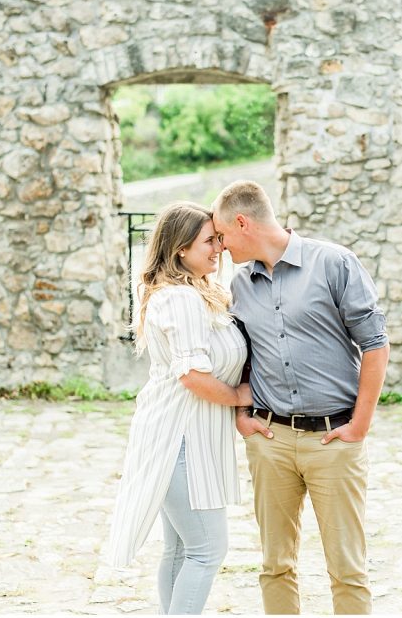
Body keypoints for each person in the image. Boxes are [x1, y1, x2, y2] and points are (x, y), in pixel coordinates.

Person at [212, 180, 390, 615]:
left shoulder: (333, 263)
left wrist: (360, 425)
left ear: (242, 222)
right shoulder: (239, 284)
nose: (218, 245)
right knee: (275, 565)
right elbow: (241, 356)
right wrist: (242, 413)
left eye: (221, 234)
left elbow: (375, 345)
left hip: (334, 441)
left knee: (347, 569)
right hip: (270, 442)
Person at [106, 201, 252, 615]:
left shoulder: (193, 293)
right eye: (210, 240)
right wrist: (242, 397)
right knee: (207, 549)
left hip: (183, 435)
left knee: (179, 549)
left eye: (219, 239)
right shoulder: (181, 300)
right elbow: (193, 375)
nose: (219, 248)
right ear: (179, 250)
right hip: (179, 439)